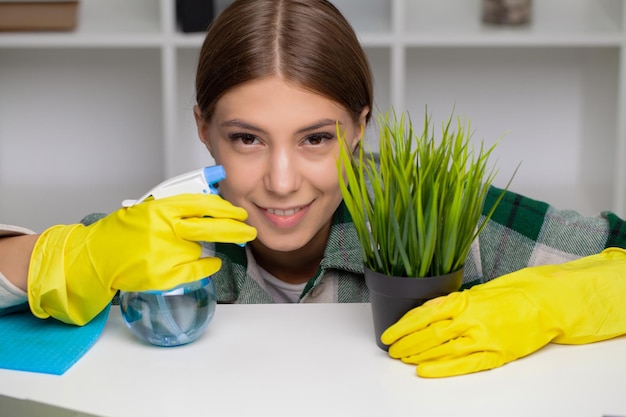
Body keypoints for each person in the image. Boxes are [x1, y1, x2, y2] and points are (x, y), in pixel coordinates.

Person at [1, 0, 626, 378]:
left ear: (359, 127)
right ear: (203, 129)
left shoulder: (438, 212)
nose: (280, 181)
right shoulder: (157, 233)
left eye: (315, 139)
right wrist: (67, 258)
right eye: (247, 139)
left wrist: (554, 306)